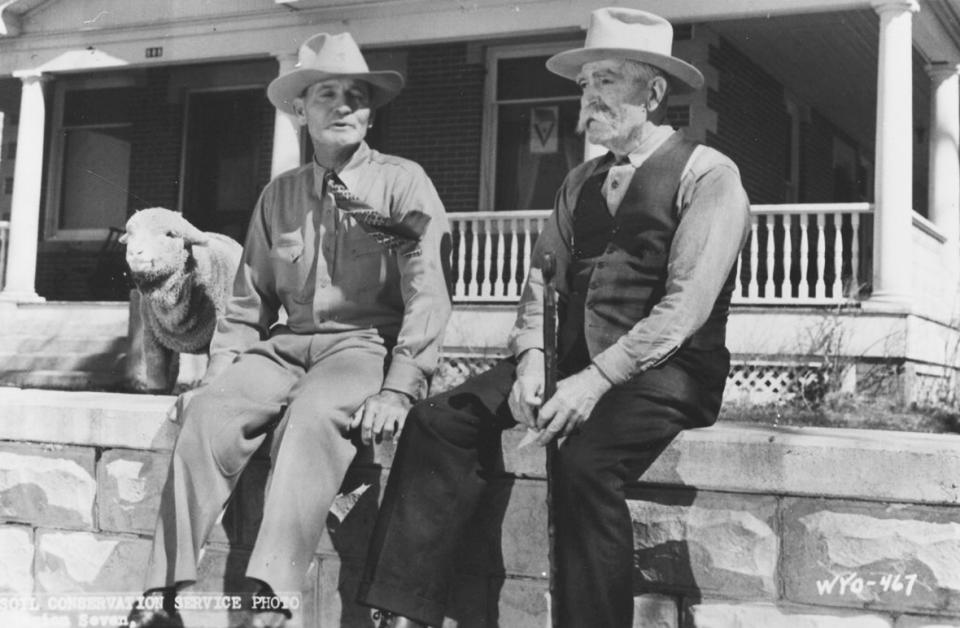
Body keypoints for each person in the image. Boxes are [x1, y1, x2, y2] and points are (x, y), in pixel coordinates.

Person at [357, 7, 751, 628]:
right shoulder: (578, 181)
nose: (590, 98)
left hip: (668, 374)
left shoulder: (709, 175)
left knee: (585, 458)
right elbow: (542, 282)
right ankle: (403, 612)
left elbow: (684, 310)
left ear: (652, 93)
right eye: (586, 83)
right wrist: (534, 361)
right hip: (568, 357)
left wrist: (595, 382)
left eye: (608, 82)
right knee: (440, 420)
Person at [128, 31, 451, 628]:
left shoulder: (399, 183)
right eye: (326, 94)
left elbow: (426, 288)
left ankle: (268, 603)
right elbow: (249, 300)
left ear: (370, 112)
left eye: (356, 95)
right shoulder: (280, 195)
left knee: (311, 420)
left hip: (361, 347)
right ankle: (159, 598)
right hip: (285, 346)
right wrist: (219, 372)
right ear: (300, 111)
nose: (344, 105)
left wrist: (401, 384)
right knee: (205, 414)